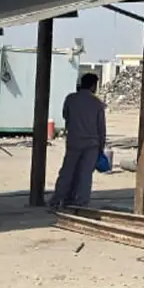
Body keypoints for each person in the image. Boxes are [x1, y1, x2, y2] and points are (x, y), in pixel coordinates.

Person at [49, 73, 107, 210]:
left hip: (74, 141)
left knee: (67, 172)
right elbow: (101, 128)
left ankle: (58, 199)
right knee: (85, 175)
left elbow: (65, 116)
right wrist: (101, 147)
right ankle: (81, 202)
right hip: (92, 144)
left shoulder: (71, 99)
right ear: (93, 86)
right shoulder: (97, 104)